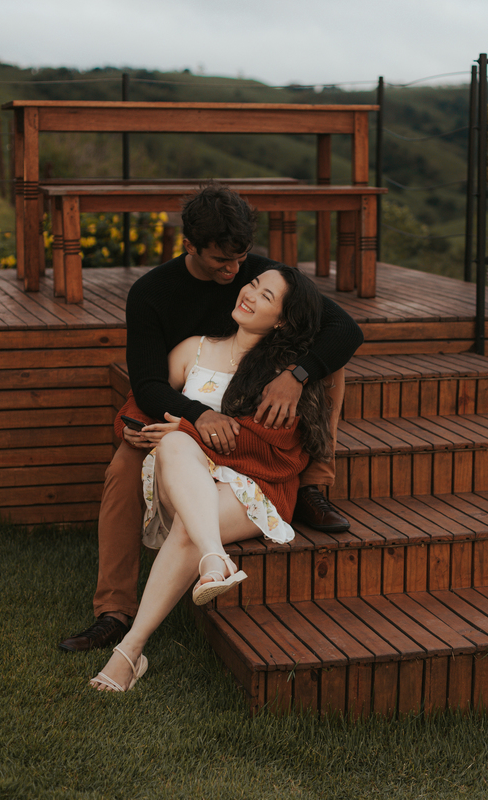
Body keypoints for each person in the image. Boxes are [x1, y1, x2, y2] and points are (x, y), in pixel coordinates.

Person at [59, 184, 363, 653]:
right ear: (189, 245)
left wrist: (297, 375)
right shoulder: (152, 293)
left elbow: (346, 329)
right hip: (184, 405)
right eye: (222, 260)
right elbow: (148, 383)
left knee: (331, 363)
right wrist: (194, 416)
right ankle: (114, 611)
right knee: (121, 469)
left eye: (242, 258)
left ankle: (312, 485)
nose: (235, 271)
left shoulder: (259, 277)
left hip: (250, 411)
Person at [89, 264, 331, 691]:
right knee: (175, 445)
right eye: (253, 284)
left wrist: (186, 427)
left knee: (189, 516)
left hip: (255, 488)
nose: (250, 294)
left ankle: (129, 652)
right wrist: (132, 426)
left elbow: (274, 452)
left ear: (282, 321)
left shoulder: (285, 377)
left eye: (266, 296)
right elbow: (144, 399)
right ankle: (215, 556)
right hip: (183, 477)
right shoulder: (194, 349)